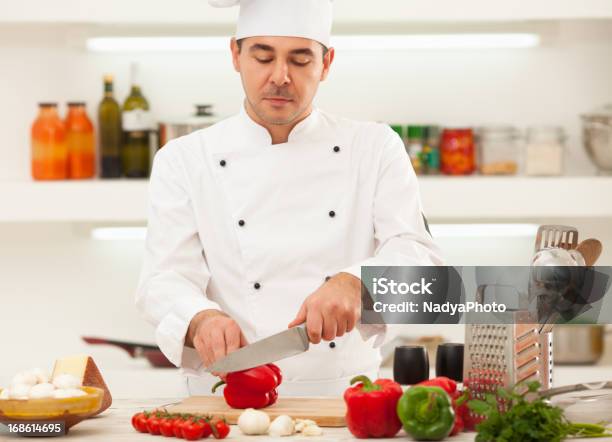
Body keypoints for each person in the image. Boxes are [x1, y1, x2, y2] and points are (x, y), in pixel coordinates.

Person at [136, 0, 443, 397]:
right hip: (226, 398)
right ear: (235, 55)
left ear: (327, 63)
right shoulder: (183, 159)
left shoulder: (374, 147)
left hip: (348, 400)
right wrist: (200, 319)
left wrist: (356, 284)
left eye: (300, 60)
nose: (279, 77)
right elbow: (162, 278)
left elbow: (423, 263)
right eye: (263, 57)